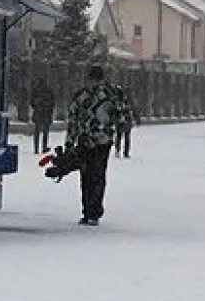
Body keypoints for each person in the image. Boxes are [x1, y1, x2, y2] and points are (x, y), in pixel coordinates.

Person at [66, 65, 131, 225]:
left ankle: (91, 210)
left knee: (91, 175)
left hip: (94, 140)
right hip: (95, 140)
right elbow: (123, 115)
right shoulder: (110, 94)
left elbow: (73, 119)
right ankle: (91, 210)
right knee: (93, 175)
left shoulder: (92, 95)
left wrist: (70, 141)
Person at [30, 78, 56, 154]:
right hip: (46, 114)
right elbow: (52, 103)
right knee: (45, 132)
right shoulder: (49, 91)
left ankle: (36, 149)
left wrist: (37, 106)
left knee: (37, 132)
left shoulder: (36, 91)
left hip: (38, 113)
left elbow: (32, 103)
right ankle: (44, 148)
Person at [113, 88, 139, 159]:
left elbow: (132, 109)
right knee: (123, 136)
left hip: (124, 120)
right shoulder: (125, 101)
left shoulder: (119, 100)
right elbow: (133, 109)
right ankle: (123, 152)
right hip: (123, 120)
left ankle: (120, 151)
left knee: (121, 136)